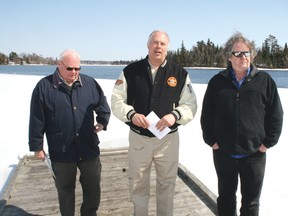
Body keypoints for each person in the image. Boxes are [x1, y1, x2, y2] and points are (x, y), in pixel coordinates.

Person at [111, 30, 197, 216]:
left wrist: (175, 116)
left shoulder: (179, 73)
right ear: (148, 45)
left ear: (167, 47)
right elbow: (117, 101)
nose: (158, 47)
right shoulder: (131, 71)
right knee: (138, 183)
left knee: (167, 183)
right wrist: (131, 114)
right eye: (155, 43)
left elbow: (190, 105)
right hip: (139, 139)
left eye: (162, 44)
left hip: (168, 140)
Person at [200, 32, 283, 216]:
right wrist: (211, 141)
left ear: (252, 55)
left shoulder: (264, 81)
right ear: (229, 57)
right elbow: (207, 115)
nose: (242, 57)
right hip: (224, 153)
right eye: (237, 53)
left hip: (254, 155)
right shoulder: (217, 82)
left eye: (246, 52)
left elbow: (275, 115)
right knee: (226, 199)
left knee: (251, 203)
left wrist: (267, 143)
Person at [28, 49, 111, 216]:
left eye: (77, 68)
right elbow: (37, 119)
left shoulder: (90, 83)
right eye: (70, 68)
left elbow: (102, 106)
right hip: (62, 150)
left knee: (93, 185)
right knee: (65, 190)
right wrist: (37, 146)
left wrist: (102, 121)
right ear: (59, 65)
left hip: (88, 146)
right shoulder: (44, 87)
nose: (74, 72)